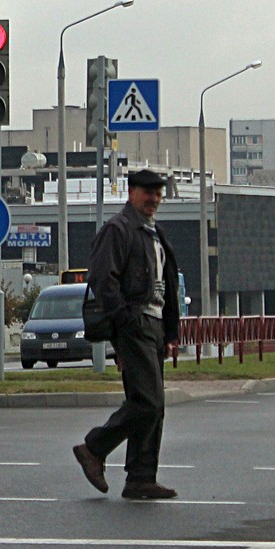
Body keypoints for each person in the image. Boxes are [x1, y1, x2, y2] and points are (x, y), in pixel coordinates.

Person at [73, 169, 181, 499]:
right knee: (148, 402)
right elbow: (103, 280)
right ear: (131, 192)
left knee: (152, 404)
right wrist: (124, 325)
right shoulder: (118, 229)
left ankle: (141, 478)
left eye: (159, 194)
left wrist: (170, 332)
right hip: (135, 324)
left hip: (154, 325)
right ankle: (94, 447)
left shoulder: (155, 233)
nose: (154, 200)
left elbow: (168, 287)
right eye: (148, 193)